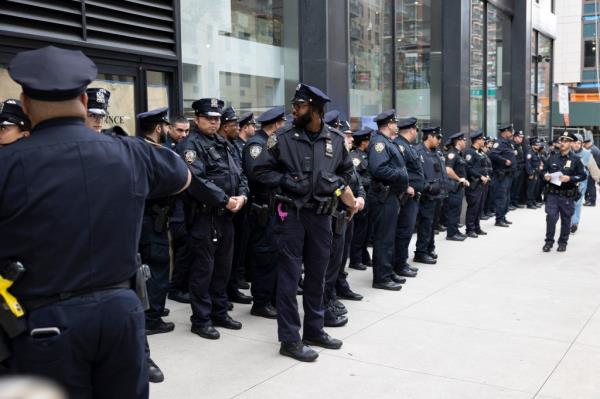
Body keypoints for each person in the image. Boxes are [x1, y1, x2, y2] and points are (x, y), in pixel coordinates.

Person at [1, 45, 191, 399]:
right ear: (84, 103)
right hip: (121, 315)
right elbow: (183, 178)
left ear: (25, 104)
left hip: (44, 325)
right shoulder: (132, 153)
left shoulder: (8, 165)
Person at [253, 83, 358, 362]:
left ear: (314, 109)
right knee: (289, 278)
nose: (293, 110)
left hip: (322, 217)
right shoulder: (282, 137)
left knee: (318, 276)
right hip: (291, 216)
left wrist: (335, 184)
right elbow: (259, 171)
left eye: (298, 106)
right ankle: (289, 339)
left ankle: (314, 329)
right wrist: (285, 180)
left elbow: (348, 173)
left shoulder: (334, 140)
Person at [177, 98, 249, 340]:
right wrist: (224, 199)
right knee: (203, 271)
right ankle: (201, 319)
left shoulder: (224, 142)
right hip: (204, 218)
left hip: (226, 218)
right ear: (196, 119)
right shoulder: (190, 145)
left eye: (217, 118)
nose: (214, 122)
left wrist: (242, 196)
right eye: (209, 118)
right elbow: (196, 182)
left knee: (222, 269)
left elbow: (240, 174)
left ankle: (219, 311)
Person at [243, 106, 287, 319]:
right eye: (282, 123)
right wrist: (284, 179)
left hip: (276, 207)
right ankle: (261, 302)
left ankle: (271, 298)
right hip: (262, 208)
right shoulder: (257, 145)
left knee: (276, 254)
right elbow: (256, 174)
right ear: (276, 124)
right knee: (265, 255)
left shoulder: (272, 143)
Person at [136, 107, 176, 337]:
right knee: (157, 268)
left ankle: (152, 311)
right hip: (153, 219)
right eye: (166, 126)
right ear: (159, 128)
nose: (168, 130)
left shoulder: (138, 149)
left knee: (148, 268)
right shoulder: (154, 153)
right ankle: (152, 318)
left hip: (145, 218)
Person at [368, 110, 409, 290]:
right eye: (395, 123)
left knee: (389, 237)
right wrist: (400, 175)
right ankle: (381, 278)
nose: (397, 126)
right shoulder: (379, 143)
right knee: (383, 238)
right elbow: (379, 169)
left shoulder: (387, 142)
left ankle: (388, 270)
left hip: (391, 196)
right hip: (383, 197)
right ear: (388, 124)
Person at [218, 106, 254, 306]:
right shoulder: (219, 145)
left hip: (238, 207)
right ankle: (224, 292)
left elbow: (241, 175)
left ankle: (231, 288)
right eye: (234, 125)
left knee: (235, 252)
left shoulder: (232, 146)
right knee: (223, 259)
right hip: (222, 209)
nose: (237, 128)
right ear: (225, 127)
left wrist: (242, 195)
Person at [542, 131, 586, 252]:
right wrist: (545, 176)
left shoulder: (576, 159)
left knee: (566, 219)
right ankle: (549, 242)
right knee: (551, 217)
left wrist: (570, 178)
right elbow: (544, 171)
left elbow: (583, 176)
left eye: (566, 141)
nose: (562, 143)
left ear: (571, 143)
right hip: (552, 194)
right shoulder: (552, 157)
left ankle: (563, 242)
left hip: (567, 195)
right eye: (561, 140)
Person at [392, 117, 423, 277]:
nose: (416, 132)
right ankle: (399, 264)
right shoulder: (400, 145)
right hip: (405, 197)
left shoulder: (407, 146)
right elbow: (398, 170)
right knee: (403, 231)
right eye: (416, 129)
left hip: (412, 197)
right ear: (411, 130)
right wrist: (406, 187)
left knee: (407, 230)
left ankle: (402, 262)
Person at [168, 116, 193, 305]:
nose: (183, 135)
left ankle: (182, 285)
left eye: (187, 131)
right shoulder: (166, 149)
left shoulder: (186, 147)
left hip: (186, 206)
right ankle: (177, 288)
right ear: (169, 129)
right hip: (174, 207)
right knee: (182, 247)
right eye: (179, 130)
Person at [414, 126, 448, 264]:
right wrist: (427, 187)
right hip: (427, 195)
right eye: (437, 137)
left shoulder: (436, 152)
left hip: (438, 194)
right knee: (425, 224)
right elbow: (417, 174)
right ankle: (421, 252)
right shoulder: (418, 152)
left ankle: (429, 248)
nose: (439, 140)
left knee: (433, 224)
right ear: (430, 137)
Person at [348, 127, 373, 271]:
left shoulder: (366, 155)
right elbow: (355, 180)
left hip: (368, 198)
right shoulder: (356, 157)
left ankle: (363, 255)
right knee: (359, 231)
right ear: (363, 142)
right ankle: (355, 259)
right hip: (360, 198)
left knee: (366, 231)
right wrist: (371, 181)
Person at [489, 124, 517, 227]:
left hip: (509, 175)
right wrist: (504, 161)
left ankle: (503, 216)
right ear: (505, 131)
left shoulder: (508, 143)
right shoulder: (499, 142)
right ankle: (499, 219)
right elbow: (492, 154)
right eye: (510, 131)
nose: (512, 133)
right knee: (501, 198)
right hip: (502, 175)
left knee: (506, 198)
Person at [463, 131, 490, 237]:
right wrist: (480, 176)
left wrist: (486, 175)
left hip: (481, 184)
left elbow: (483, 167)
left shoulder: (479, 152)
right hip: (473, 184)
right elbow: (468, 168)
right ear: (477, 140)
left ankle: (477, 227)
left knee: (479, 207)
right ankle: (470, 229)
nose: (483, 141)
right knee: (473, 207)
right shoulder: (470, 152)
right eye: (482, 139)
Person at [444, 132, 469, 241]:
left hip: (458, 187)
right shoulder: (452, 154)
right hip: (453, 187)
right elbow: (448, 170)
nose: (465, 142)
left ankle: (455, 230)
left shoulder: (459, 154)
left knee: (457, 210)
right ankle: (451, 233)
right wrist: (459, 179)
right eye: (464, 140)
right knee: (453, 211)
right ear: (458, 141)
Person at [570, 133, 591, 233]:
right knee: (569, 203)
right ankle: (569, 222)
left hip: (582, 182)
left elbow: (593, 168)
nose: (577, 145)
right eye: (575, 142)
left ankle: (574, 223)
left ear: (582, 143)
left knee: (577, 202)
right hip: (569, 181)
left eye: (579, 143)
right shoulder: (568, 153)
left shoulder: (587, 153)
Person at [525, 138, 544, 209]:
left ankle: (533, 201)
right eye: (537, 144)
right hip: (532, 173)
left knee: (535, 188)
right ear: (533, 145)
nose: (538, 146)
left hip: (537, 173)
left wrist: (541, 165)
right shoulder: (530, 153)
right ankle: (529, 203)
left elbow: (538, 161)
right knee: (531, 189)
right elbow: (528, 164)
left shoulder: (536, 152)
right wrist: (530, 174)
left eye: (539, 144)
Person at [510, 130, 526, 209]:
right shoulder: (512, 145)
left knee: (518, 187)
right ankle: (510, 203)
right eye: (519, 137)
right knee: (513, 186)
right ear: (515, 137)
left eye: (522, 137)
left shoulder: (520, 146)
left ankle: (515, 201)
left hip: (521, 168)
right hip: (515, 169)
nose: (521, 139)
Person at [583, 131, 600, 206]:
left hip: (593, 170)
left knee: (591, 186)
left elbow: (588, 161)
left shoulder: (591, 150)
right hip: (594, 169)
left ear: (588, 143)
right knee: (591, 185)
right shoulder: (594, 148)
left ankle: (592, 201)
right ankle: (590, 200)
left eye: (585, 144)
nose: (584, 145)